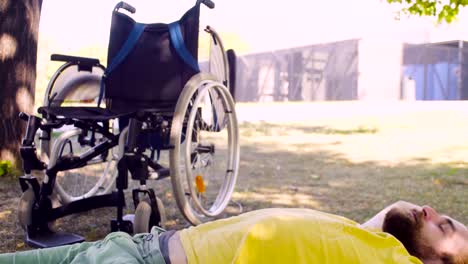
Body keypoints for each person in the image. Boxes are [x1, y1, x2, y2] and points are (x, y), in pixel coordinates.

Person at [1, 201, 466, 264]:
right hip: (134, 245)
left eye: (444, 225)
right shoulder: (367, 241)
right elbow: (391, 214)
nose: (429, 209)